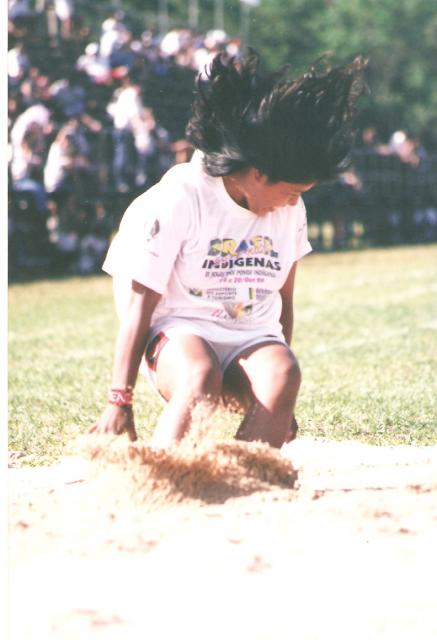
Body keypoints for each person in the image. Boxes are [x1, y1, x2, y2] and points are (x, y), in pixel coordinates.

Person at [91, 50, 366, 449]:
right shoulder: (181, 198)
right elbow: (139, 308)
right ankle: (160, 478)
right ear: (257, 173)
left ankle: (240, 478)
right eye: (289, 192)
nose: (292, 203)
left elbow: (282, 300)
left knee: (284, 372)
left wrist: (275, 403)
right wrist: (120, 399)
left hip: (247, 335)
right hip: (179, 332)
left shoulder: (291, 212)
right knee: (200, 376)